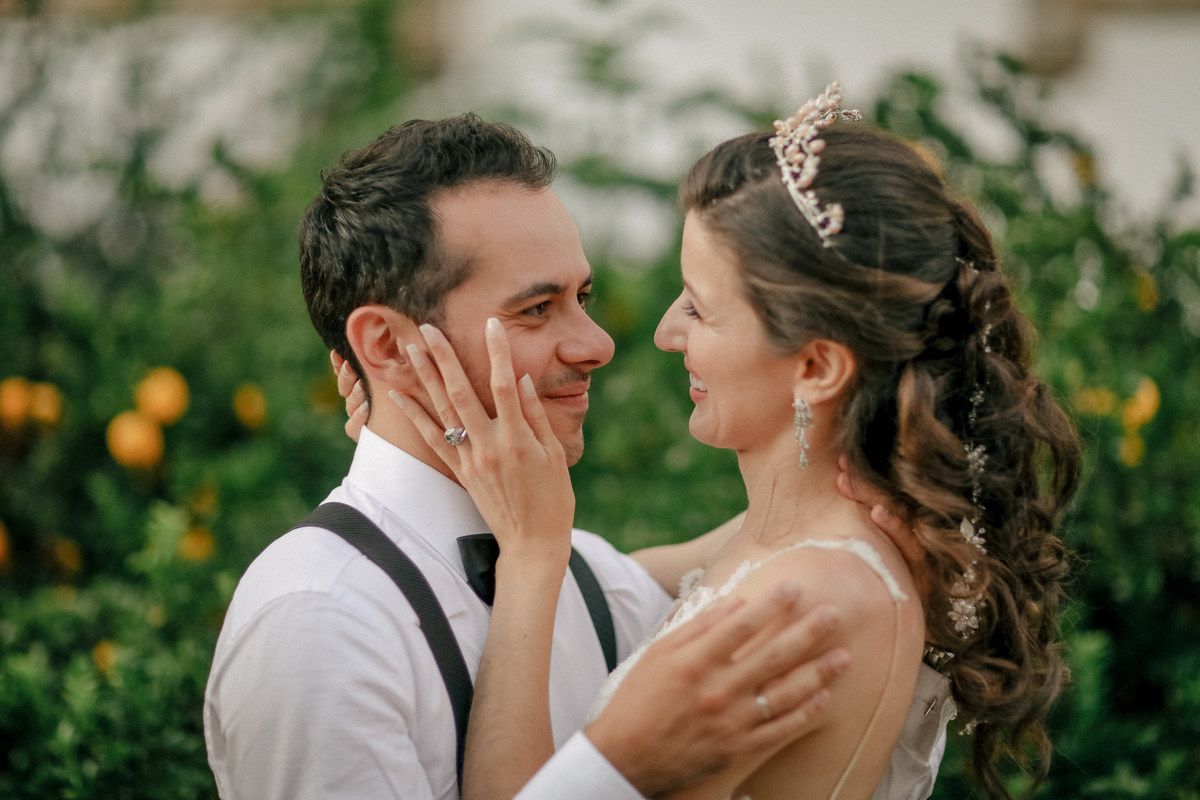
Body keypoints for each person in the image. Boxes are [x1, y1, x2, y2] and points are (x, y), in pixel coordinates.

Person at [389, 85, 1082, 800]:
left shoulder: (798, 605)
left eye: (698, 305)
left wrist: (532, 554)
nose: (665, 333)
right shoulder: (802, 539)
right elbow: (623, 582)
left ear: (815, 366)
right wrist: (422, 448)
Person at [203, 114, 855, 800]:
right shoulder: (320, 616)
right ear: (389, 348)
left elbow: (771, 548)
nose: (598, 343)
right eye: (537, 309)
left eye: (582, 297)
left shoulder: (586, 574)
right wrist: (620, 768)